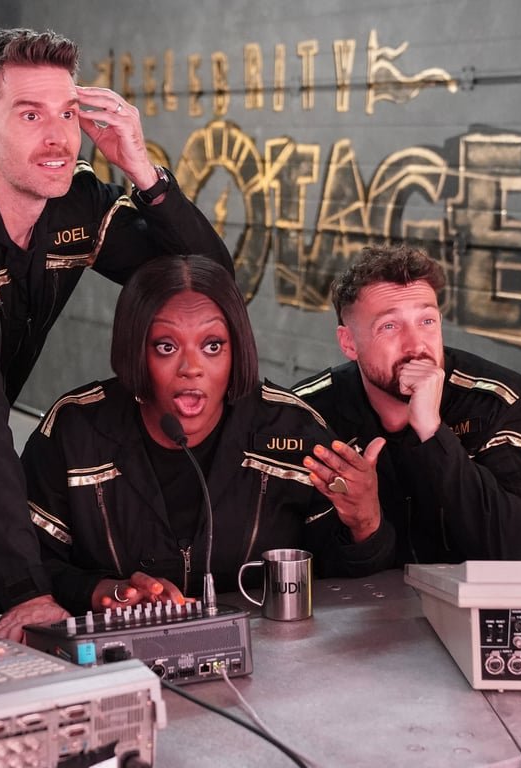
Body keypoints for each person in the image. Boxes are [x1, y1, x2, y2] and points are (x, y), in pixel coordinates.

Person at [0, 28, 232, 638]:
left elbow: (208, 286)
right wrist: (27, 592)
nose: (58, 137)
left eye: (66, 113)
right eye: (30, 115)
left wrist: (142, 170)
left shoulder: (73, 202)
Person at [21, 255, 395, 613]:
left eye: (212, 346)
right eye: (166, 347)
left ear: (237, 351)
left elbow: (350, 591)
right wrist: (103, 591)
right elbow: (26, 569)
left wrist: (366, 521)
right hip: (111, 668)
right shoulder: (75, 430)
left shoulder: (292, 431)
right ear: (135, 350)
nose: (191, 368)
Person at [292, 244, 521, 565]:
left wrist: (432, 431)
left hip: (497, 602)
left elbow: (515, 550)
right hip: (378, 606)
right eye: (390, 326)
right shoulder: (308, 414)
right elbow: (306, 561)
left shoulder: (498, 399)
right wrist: (365, 523)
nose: (416, 345)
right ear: (349, 343)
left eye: (426, 321)